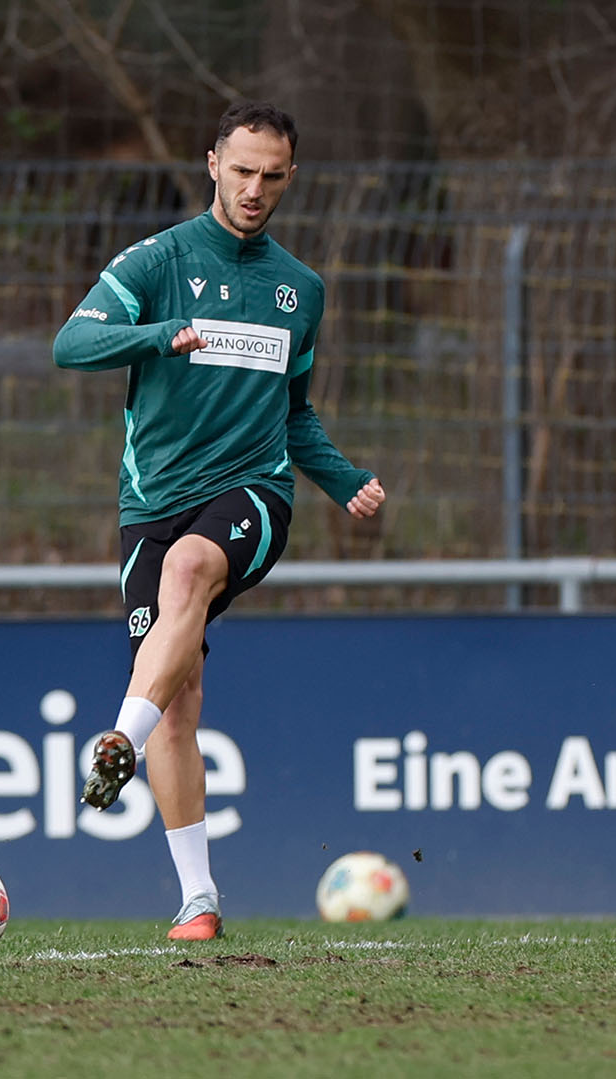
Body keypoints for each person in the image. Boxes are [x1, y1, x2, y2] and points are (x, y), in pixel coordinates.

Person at [52, 101, 385, 941]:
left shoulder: (300, 289)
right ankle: (198, 898)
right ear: (212, 164)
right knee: (180, 702)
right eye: (242, 170)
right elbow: (71, 343)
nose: (255, 189)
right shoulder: (158, 260)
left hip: (254, 492)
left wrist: (342, 479)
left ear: (291, 177)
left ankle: (114, 739)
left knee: (190, 572)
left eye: (272, 175)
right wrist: (161, 335)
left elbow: (295, 412)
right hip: (150, 502)